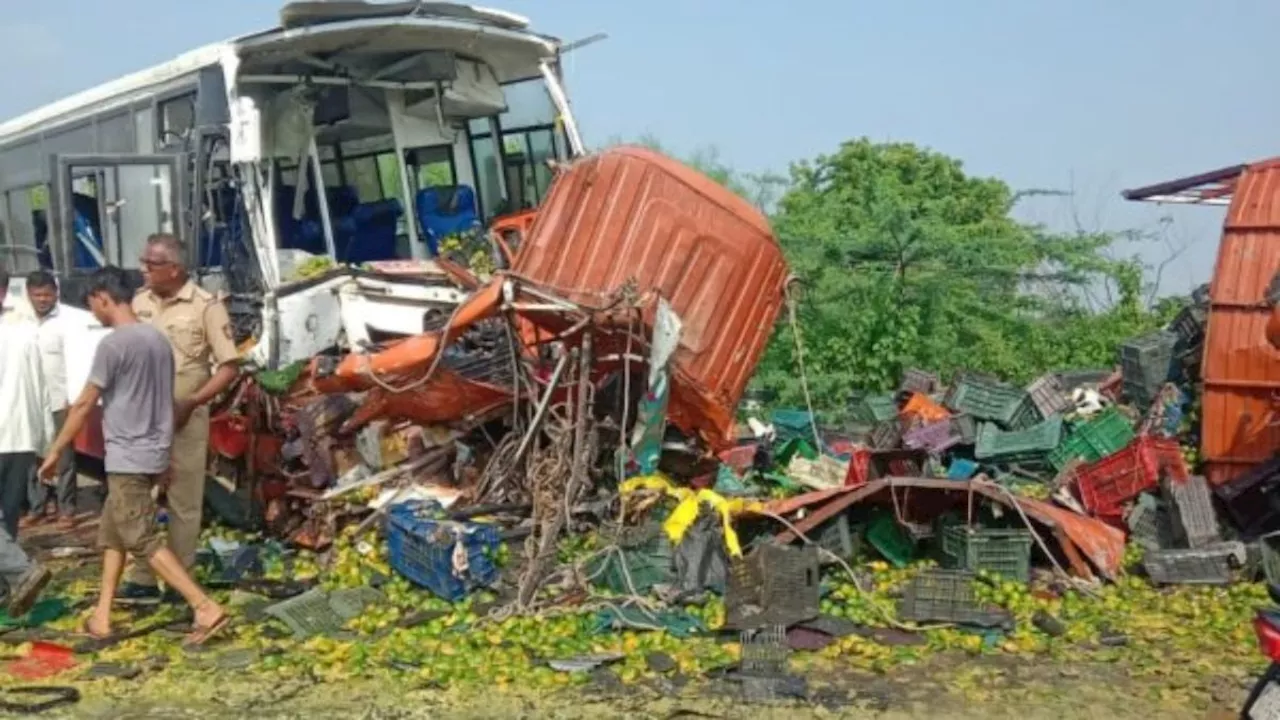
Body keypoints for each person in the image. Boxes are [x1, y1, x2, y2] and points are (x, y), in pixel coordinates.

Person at [40, 267, 228, 644]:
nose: (92, 311)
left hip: (129, 456)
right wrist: (164, 458)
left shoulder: (113, 345)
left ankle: (203, 605)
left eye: (92, 303)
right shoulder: (157, 339)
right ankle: (102, 615)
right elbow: (166, 401)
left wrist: (56, 450)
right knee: (113, 536)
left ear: (102, 298)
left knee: (141, 538)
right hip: (152, 451)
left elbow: (83, 404)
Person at [115, 234, 240, 606]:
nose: (143, 270)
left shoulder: (205, 307)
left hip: (185, 417)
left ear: (175, 268)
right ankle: (141, 577)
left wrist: (193, 401)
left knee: (184, 500)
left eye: (150, 264)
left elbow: (229, 367)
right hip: (141, 418)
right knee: (139, 498)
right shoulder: (139, 303)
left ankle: (179, 581)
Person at [0, 310, 53, 617]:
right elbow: (41, 389)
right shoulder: (24, 334)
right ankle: (8, 587)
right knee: (7, 519)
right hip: (21, 435)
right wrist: (45, 442)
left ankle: (21, 571)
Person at [24, 271, 79, 528]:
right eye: (37, 295)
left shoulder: (68, 321)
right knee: (32, 453)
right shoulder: (19, 321)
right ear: (29, 295)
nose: (43, 299)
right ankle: (38, 507)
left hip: (60, 399)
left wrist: (73, 397)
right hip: (29, 400)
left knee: (65, 457)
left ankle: (67, 508)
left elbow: (75, 362)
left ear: (56, 293)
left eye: (47, 294)